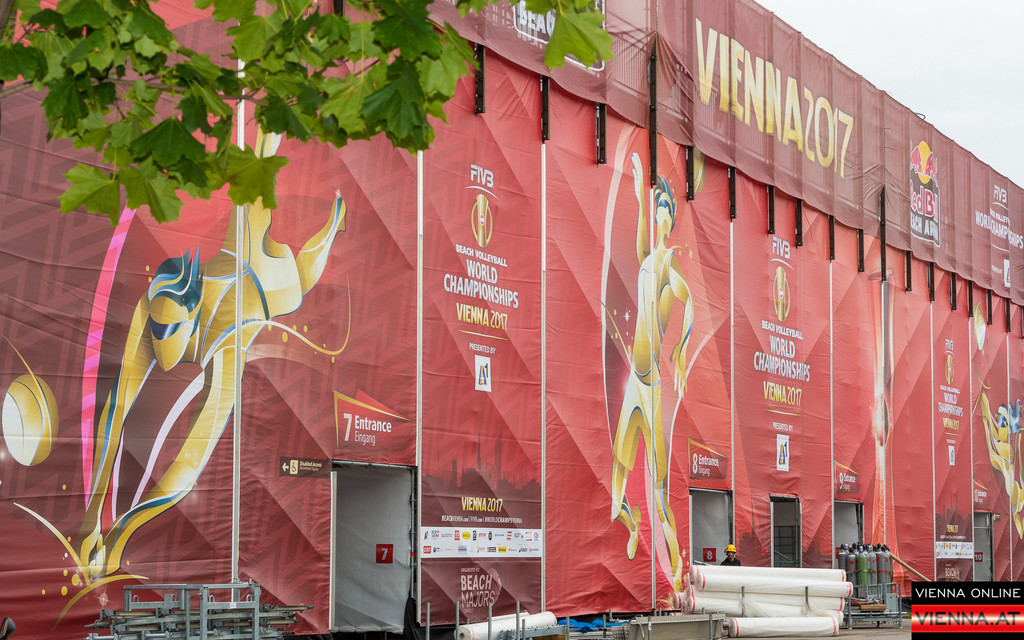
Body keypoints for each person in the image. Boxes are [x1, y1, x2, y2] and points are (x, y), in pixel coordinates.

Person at [76, 128, 348, 579]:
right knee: (250, 202)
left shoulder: (227, 338)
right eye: (158, 328)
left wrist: (119, 533)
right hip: (230, 262)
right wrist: (92, 520)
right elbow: (114, 412)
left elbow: (188, 462)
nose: (161, 343)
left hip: (264, 285)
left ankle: (332, 214)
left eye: (171, 330)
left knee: (281, 257)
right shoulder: (151, 308)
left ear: (191, 315)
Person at [610, 152, 694, 594]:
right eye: (657, 206)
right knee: (615, 494)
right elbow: (642, 230)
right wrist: (642, 188)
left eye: (664, 207)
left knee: (660, 496)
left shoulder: (668, 265)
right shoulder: (647, 257)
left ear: (671, 219)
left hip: (652, 387)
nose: (659, 212)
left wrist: (680, 350)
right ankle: (631, 522)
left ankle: (677, 570)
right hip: (632, 383)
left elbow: (689, 301)